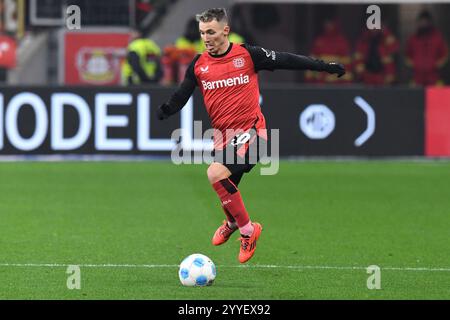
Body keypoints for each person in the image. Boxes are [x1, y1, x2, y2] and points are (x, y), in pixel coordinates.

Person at [157, 8, 345, 263]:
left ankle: (248, 230)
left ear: (225, 30)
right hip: (224, 138)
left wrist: (324, 67)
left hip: (253, 133)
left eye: (211, 32)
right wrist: (168, 109)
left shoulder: (247, 55)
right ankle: (232, 222)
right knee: (226, 189)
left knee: (215, 173)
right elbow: (182, 93)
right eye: (202, 33)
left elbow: (286, 60)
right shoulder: (199, 65)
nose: (206, 38)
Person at [406, 10, 448, 86]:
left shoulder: (438, 38)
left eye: (425, 22)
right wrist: (414, 64)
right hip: (417, 78)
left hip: (434, 78)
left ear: (430, 23)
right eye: (421, 22)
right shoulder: (413, 39)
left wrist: (436, 65)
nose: (423, 24)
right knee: (411, 94)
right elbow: (407, 55)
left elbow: (445, 54)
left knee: (439, 95)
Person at [305, 18, 352, 84]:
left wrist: (346, 83)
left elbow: (346, 65)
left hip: (337, 84)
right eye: (327, 24)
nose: (328, 26)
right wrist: (309, 81)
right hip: (320, 83)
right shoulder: (319, 41)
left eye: (330, 24)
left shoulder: (341, 42)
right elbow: (311, 62)